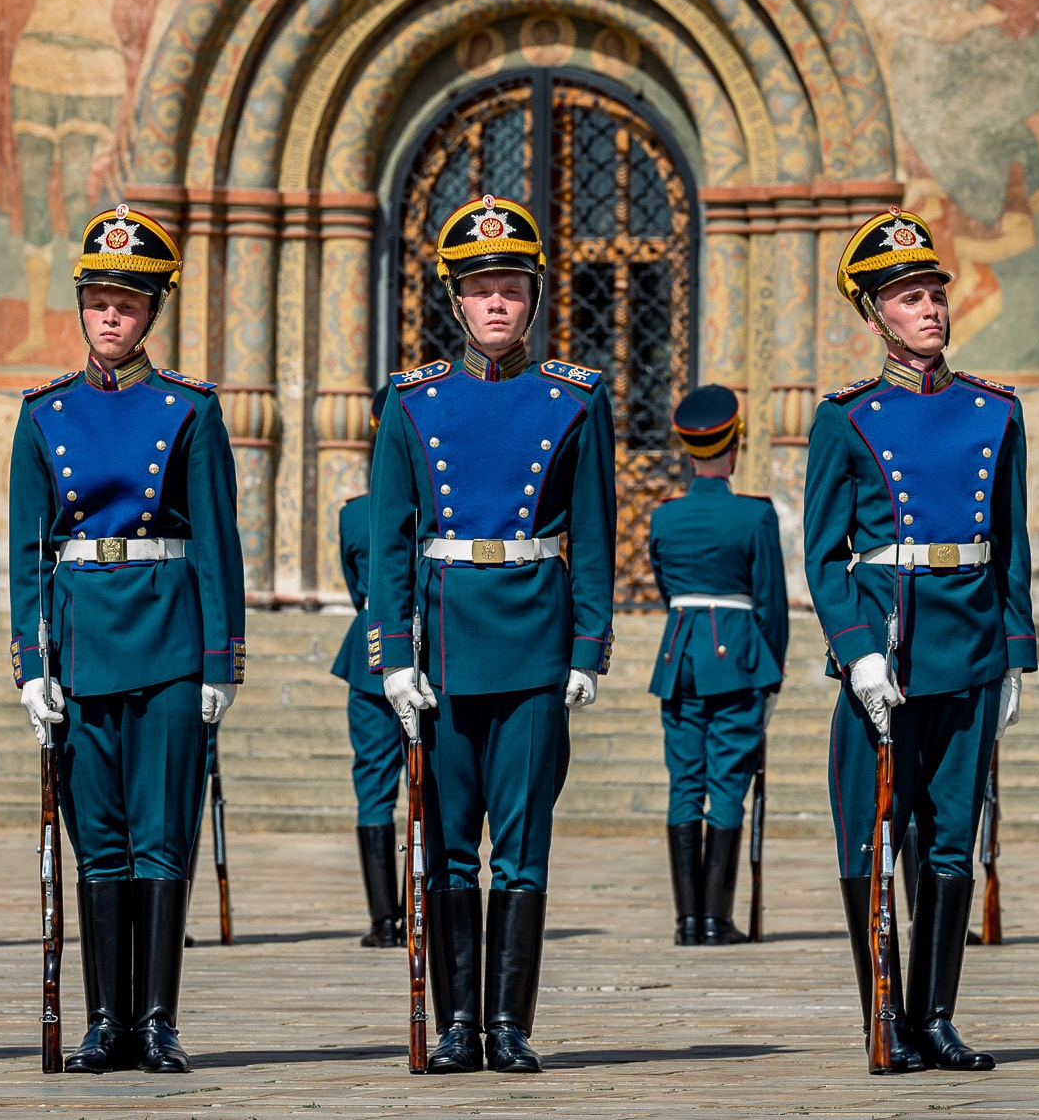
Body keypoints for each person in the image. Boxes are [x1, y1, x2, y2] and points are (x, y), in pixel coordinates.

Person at [368, 195, 616, 1075]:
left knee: (520, 843)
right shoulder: (410, 401)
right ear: (456, 300)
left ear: (535, 296)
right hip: (443, 641)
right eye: (481, 289)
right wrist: (391, 656)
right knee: (442, 844)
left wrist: (589, 649)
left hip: (534, 642)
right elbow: (389, 542)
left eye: (512, 286)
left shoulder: (574, 399)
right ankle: (456, 1023)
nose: (498, 303)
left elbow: (592, 532)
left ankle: (508, 1023)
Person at [9, 204, 246, 1074]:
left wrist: (221, 660)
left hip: (170, 638)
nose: (112, 316)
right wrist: (32, 666)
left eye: (130, 302)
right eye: (100, 300)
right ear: (82, 305)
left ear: (154, 312)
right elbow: (29, 553)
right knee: (98, 839)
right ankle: (103, 1019)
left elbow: (219, 542)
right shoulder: (43, 414)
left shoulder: (189, 409)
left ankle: (155, 1018)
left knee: (161, 836)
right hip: (82, 641)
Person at [806, 208, 1034, 1074]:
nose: (931, 307)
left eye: (935, 291)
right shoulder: (847, 418)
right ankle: (884, 1017)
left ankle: (935, 1015)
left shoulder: (994, 412)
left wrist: (1016, 650)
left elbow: (1011, 543)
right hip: (888, 654)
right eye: (909, 296)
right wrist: (856, 648)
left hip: (970, 644)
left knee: (948, 841)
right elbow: (825, 554)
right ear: (875, 315)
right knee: (872, 836)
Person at [647, 383, 788, 945]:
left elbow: (665, 589)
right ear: (736, 445)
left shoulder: (664, 518)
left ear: (687, 448)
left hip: (678, 652)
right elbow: (771, 604)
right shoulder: (755, 516)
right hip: (738, 656)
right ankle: (716, 918)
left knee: (685, 781)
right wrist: (770, 671)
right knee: (728, 784)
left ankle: (687, 921)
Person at [331, 384, 405, 949]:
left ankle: (384, 919)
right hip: (423, 648)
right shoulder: (423, 509)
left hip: (366, 651)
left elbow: (358, 588)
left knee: (373, 786)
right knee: (432, 788)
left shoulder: (354, 515)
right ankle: (423, 906)